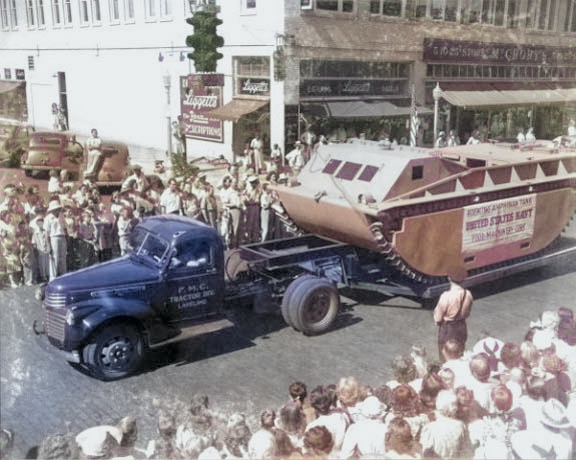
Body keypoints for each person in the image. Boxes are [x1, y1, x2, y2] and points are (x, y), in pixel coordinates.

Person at [433, 277, 473, 359]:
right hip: (461, 326)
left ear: (449, 278)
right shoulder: (468, 294)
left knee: (446, 354)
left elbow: (437, 318)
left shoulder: (446, 296)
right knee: (459, 352)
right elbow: (467, 313)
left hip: (448, 329)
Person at [44, 200, 67, 280]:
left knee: (63, 257)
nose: (57, 210)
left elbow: (64, 227)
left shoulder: (61, 215)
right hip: (54, 237)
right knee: (55, 257)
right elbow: (47, 232)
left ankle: (63, 275)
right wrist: (48, 244)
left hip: (62, 236)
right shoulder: (48, 218)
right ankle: (53, 277)